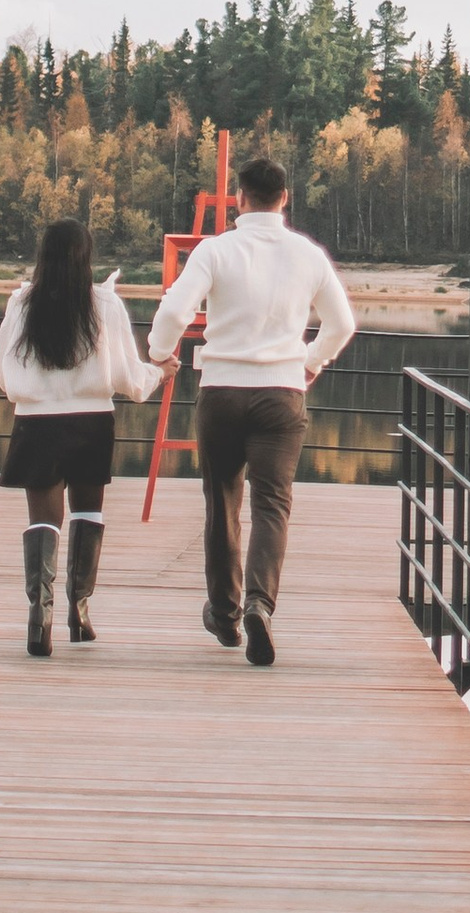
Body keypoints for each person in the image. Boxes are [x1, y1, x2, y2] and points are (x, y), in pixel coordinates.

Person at [147, 156, 355, 667]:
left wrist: (159, 354)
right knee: (271, 504)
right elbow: (342, 323)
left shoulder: (217, 250)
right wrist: (309, 363)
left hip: (221, 391)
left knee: (222, 501)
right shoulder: (306, 254)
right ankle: (261, 604)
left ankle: (225, 613)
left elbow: (175, 311)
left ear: (240, 199)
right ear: (285, 198)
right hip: (281, 395)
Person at [0, 215, 155, 657]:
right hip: (90, 421)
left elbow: (2, 375)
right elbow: (128, 377)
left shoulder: (22, 304)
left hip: (36, 423)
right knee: (88, 514)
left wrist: (31, 397)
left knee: (43, 521)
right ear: (86, 258)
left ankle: (38, 616)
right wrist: (157, 374)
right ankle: (79, 613)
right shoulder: (104, 304)